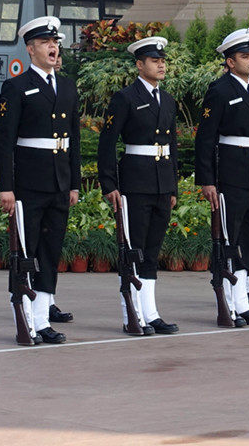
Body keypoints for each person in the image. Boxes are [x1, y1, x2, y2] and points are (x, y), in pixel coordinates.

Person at [0, 16, 81, 345]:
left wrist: (74, 183)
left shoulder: (68, 87)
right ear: (31, 50)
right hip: (29, 182)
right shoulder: (16, 87)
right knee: (26, 251)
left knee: (49, 251)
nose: (53, 48)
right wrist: (6, 186)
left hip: (59, 182)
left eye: (55, 43)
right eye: (46, 43)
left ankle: (42, 318)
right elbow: (4, 141)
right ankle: (25, 315)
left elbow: (73, 139)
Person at [97, 35, 179, 335]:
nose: (161, 64)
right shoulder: (125, 98)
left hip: (161, 183)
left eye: (162, 60)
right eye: (154, 60)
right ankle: (132, 314)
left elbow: (172, 145)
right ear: (139, 64)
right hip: (135, 181)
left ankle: (151, 313)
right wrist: (110, 184)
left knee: (153, 249)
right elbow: (107, 144)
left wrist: (173, 188)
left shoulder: (167, 100)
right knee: (134, 249)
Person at [194, 27, 249, 326]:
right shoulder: (220, 90)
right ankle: (233, 301)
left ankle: (242, 296)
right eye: (244, 56)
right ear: (229, 62)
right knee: (231, 236)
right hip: (231, 171)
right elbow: (205, 137)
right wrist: (207, 180)